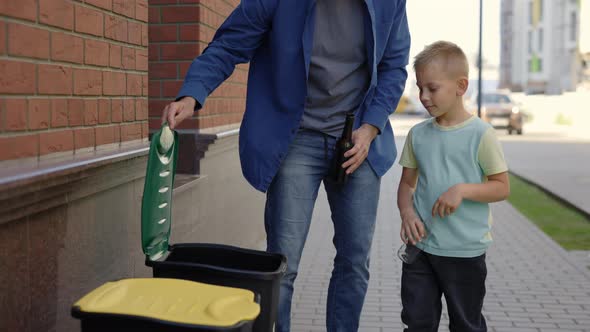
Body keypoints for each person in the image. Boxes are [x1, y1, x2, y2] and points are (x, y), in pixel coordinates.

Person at [162, 1, 411, 331]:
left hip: (358, 139)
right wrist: (191, 94)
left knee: (355, 261)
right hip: (297, 138)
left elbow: (394, 66)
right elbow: (229, 43)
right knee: (282, 262)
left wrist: (372, 126)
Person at [396, 40, 510, 332]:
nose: (423, 96)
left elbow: (501, 187)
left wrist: (462, 190)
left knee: (466, 325)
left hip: (465, 253)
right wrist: (407, 213)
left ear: (461, 86)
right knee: (417, 323)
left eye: (431, 88)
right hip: (420, 249)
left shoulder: (481, 135)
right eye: (419, 87)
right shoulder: (418, 134)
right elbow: (406, 184)